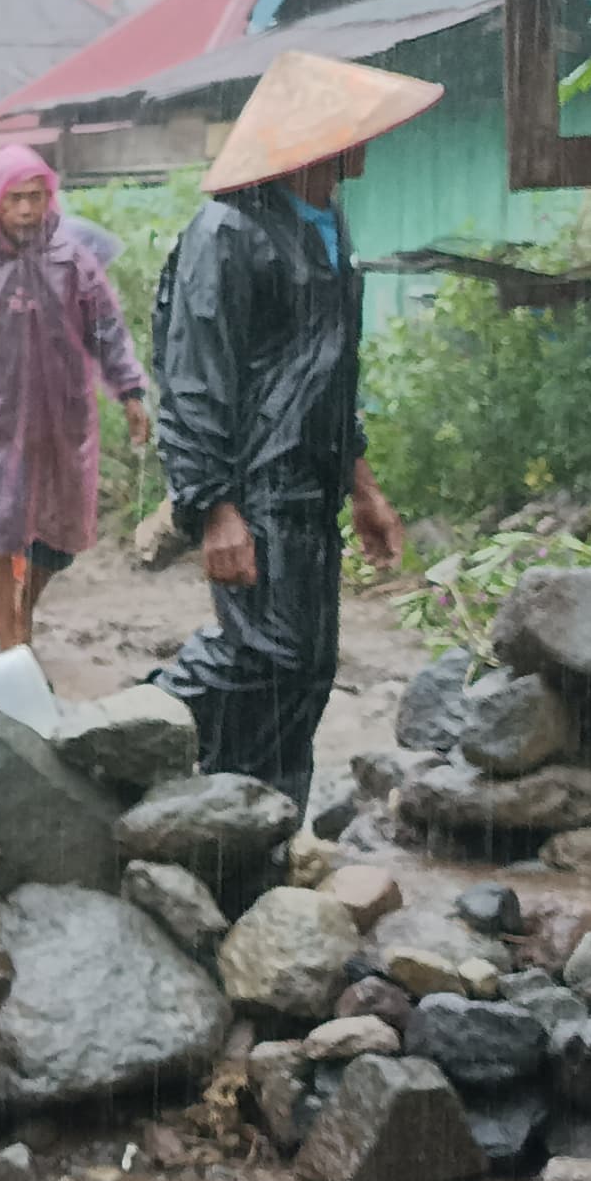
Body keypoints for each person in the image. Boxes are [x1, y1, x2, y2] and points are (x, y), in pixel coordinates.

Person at [144, 52, 419, 799]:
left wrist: (363, 488)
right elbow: (194, 381)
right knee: (266, 654)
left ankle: (257, 820)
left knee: (307, 667)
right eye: (357, 129)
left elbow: (331, 371)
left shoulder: (327, 219)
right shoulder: (227, 232)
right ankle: (133, 724)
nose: (368, 142)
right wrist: (214, 508)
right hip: (253, 482)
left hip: (312, 479)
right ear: (317, 135)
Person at [0, 141, 148, 652]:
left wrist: (130, 391)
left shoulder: (71, 260)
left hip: (60, 418)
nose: (26, 209)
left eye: (36, 196)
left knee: (58, 533)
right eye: (15, 197)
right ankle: (10, 643)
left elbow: (106, 329)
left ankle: (24, 615)